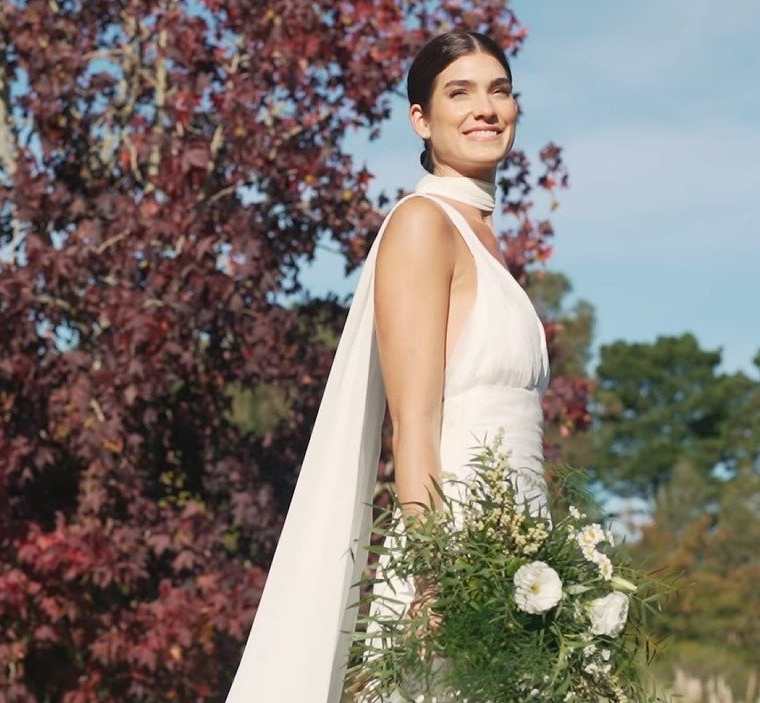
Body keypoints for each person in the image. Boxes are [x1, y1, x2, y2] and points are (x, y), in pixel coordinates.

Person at [225, 31, 550, 702]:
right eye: (458, 93)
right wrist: (434, 581)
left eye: (498, 90)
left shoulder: (484, 236)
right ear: (421, 120)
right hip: (456, 561)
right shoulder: (422, 225)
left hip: (522, 556)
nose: (485, 108)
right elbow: (414, 424)